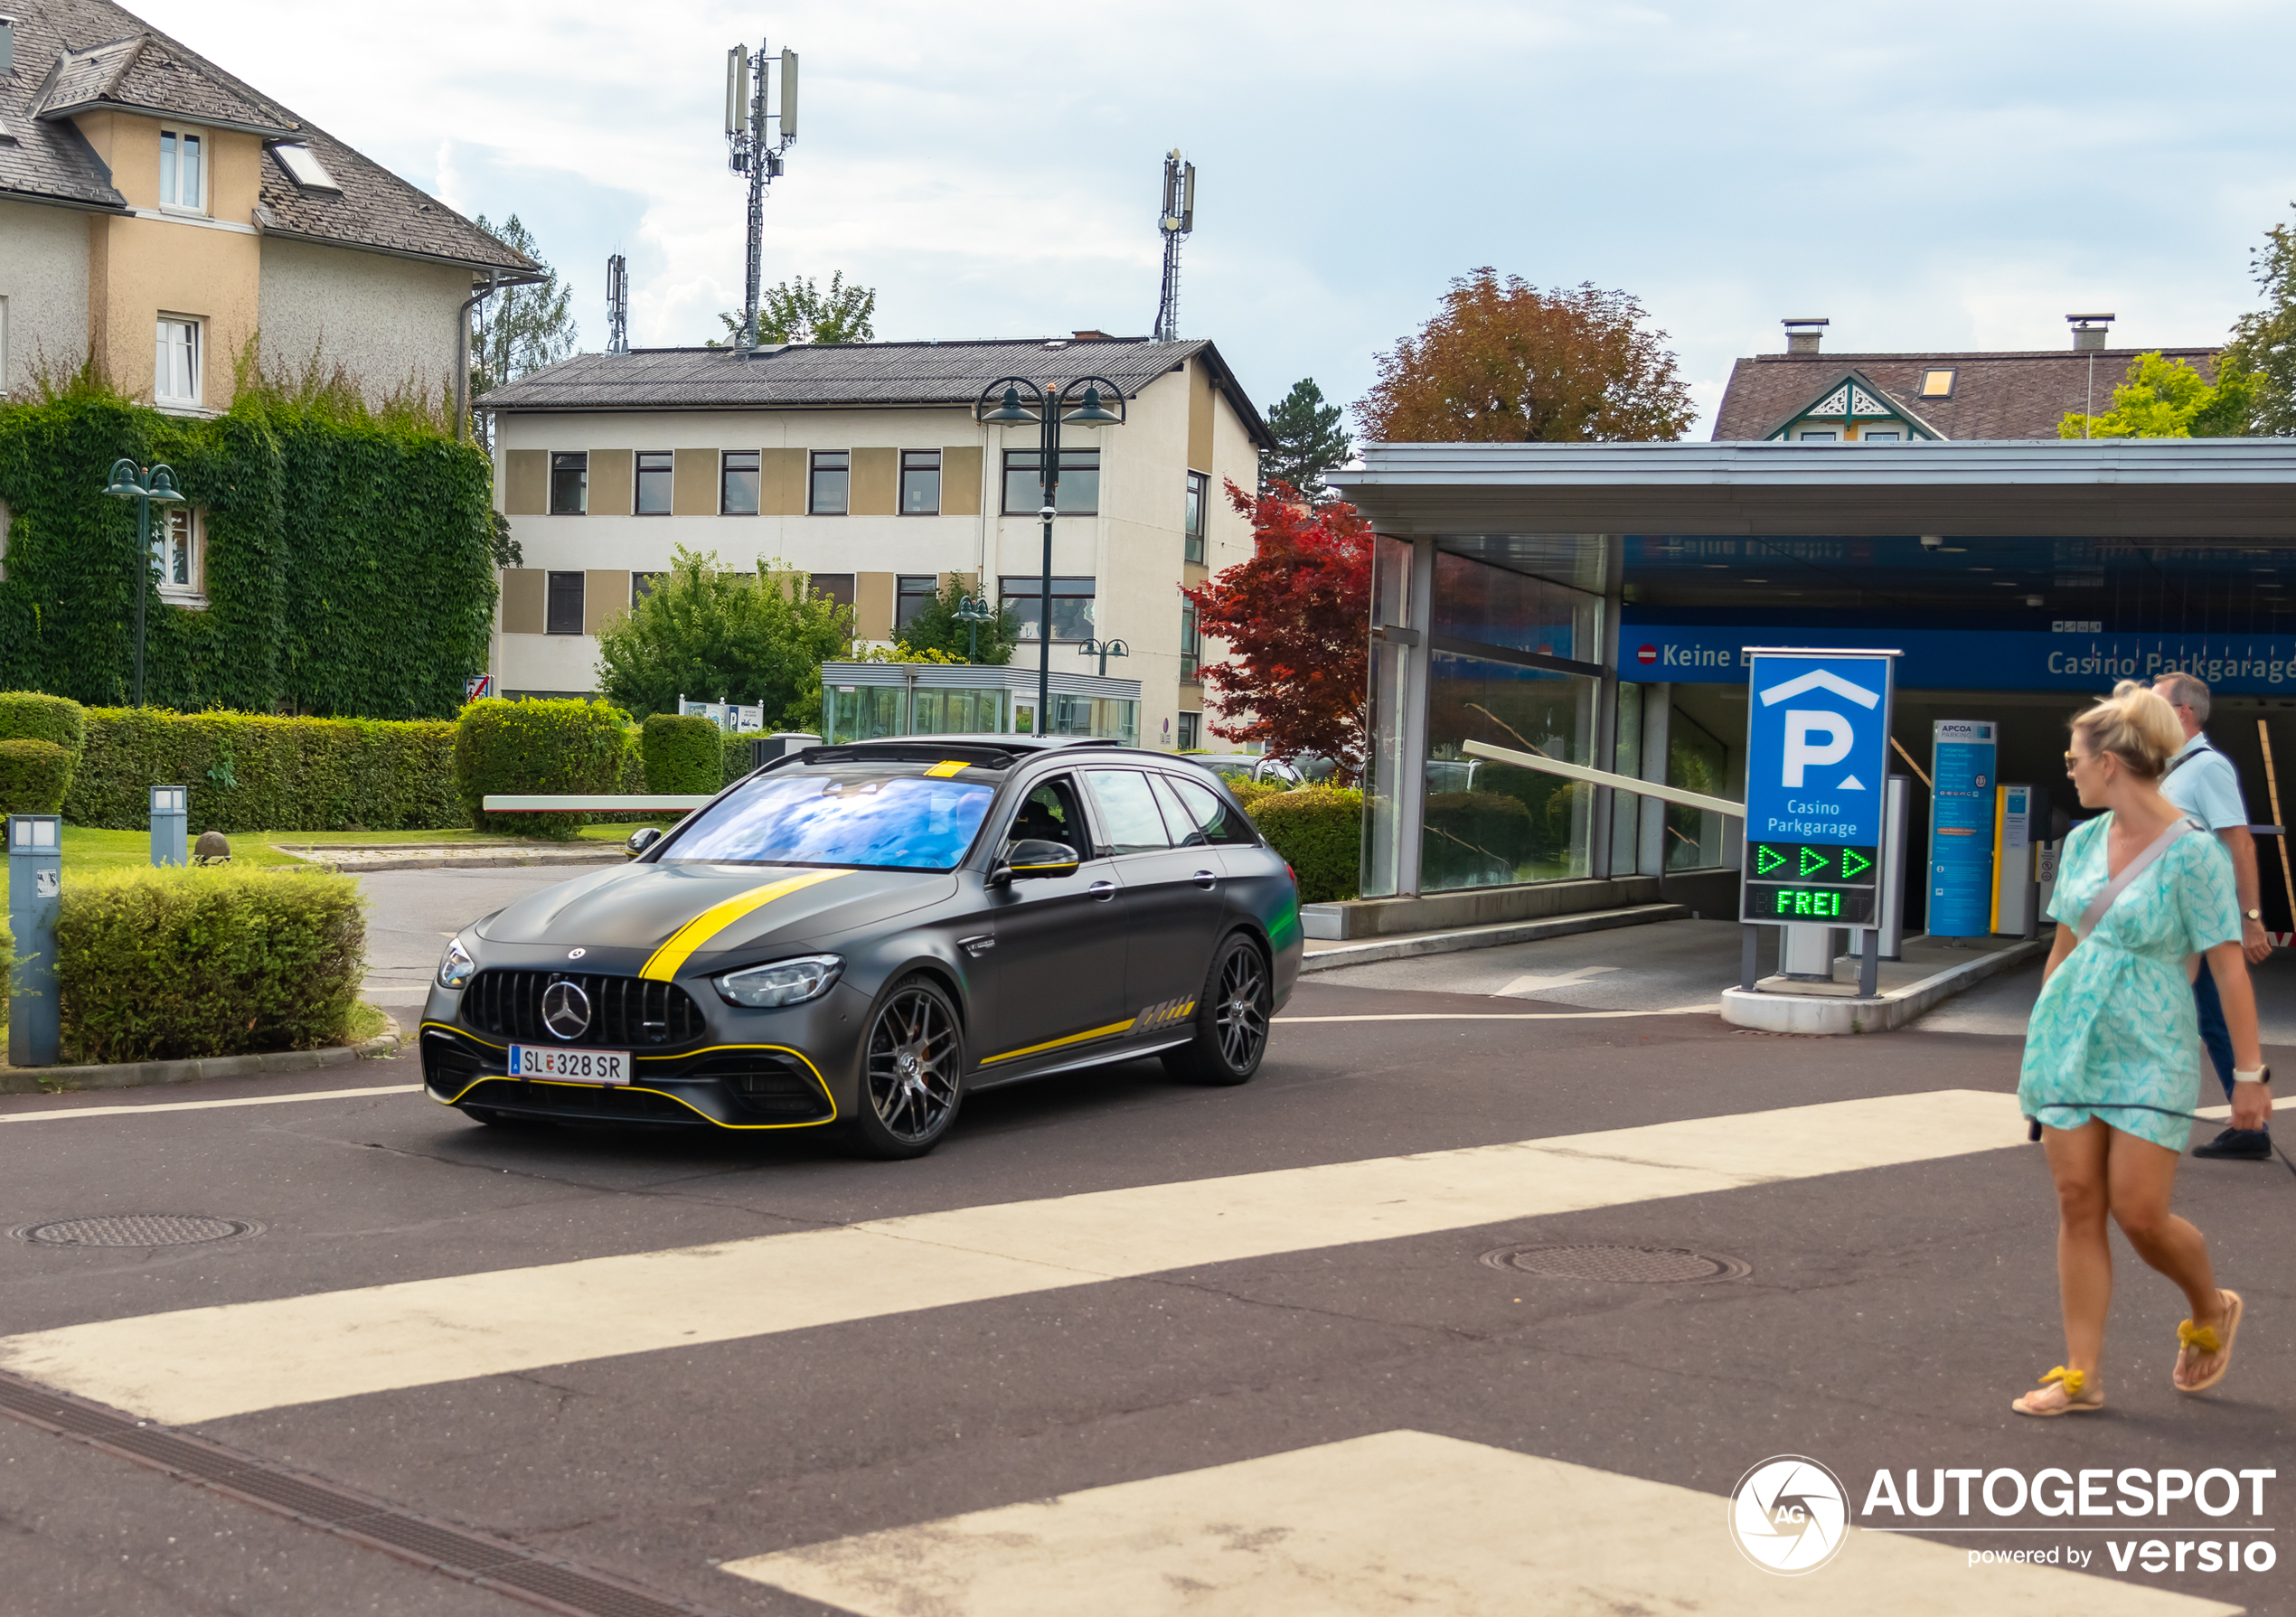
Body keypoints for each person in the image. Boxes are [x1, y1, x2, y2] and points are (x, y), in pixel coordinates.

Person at [2013, 682, 2272, 1417]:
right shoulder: (2084, 843)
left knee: (2140, 1211)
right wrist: (2039, 1042)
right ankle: (2082, 1374)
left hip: (2151, 1041)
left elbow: (2227, 968)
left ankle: (2208, 1306)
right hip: (2072, 1038)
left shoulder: (2194, 854)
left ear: (2112, 764)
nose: (2070, 770)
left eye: (2075, 759)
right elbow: (2063, 948)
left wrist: (2249, 1077)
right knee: (2076, 1200)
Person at [2153, 671, 2276, 1161]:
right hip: (2179, 919)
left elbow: (2239, 842)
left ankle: (2249, 1125)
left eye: (2155, 703)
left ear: (2183, 713)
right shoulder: (2174, 768)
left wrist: (2250, 918)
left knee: (2192, 1014)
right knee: (2205, 1016)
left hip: (2204, 919)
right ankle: (2249, 1127)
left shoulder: (2207, 768)